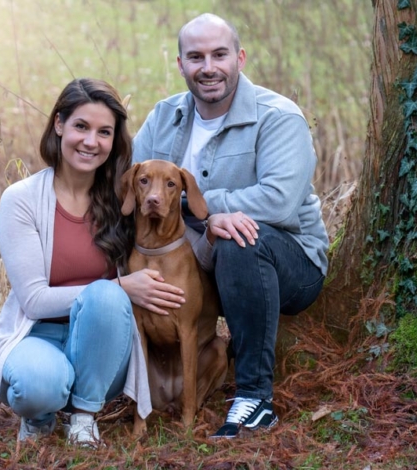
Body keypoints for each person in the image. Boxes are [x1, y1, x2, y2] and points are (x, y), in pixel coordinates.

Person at [132, 14, 329, 439]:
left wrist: (204, 208)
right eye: (196, 57)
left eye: (219, 55)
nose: (208, 67)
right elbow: (132, 192)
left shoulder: (278, 117)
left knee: (239, 237)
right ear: (180, 64)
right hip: (199, 263)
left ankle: (255, 398)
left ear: (239, 58)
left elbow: (278, 202)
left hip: (287, 260)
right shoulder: (163, 117)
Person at [0, 78, 186, 447]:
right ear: (59, 124)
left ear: (114, 140)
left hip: (106, 345)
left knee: (105, 299)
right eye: (81, 126)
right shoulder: (22, 199)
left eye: (104, 132)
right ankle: (40, 416)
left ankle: (84, 416)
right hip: (39, 334)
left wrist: (218, 221)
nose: (91, 141)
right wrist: (122, 286)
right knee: (37, 384)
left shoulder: (124, 198)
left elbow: (172, 227)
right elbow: (34, 301)